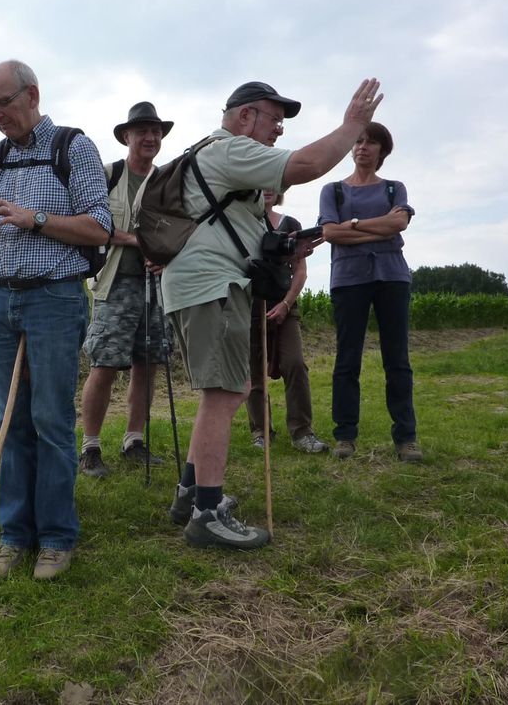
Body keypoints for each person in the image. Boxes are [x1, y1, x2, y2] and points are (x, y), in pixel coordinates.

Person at [162, 79, 383, 550]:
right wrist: (352, 127)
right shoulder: (231, 150)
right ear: (245, 117)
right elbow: (307, 165)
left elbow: (232, 227)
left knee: (222, 390)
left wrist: (283, 246)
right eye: (274, 118)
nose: (280, 129)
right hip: (212, 288)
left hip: (204, 286)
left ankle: (189, 494)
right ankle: (206, 512)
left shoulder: (218, 156)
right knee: (226, 392)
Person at [0, 60, 113, 580]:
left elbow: (100, 228)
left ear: (32, 95)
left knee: (51, 419)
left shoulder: (73, 148)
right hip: (1, 300)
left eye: (4, 102)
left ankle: (55, 537)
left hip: (54, 298)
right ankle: (13, 536)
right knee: (8, 423)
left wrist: (35, 218)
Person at [79, 102, 173, 478]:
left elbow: (175, 229)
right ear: (126, 137)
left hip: (156, 286)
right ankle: (90, 448)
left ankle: (134, 440)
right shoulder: (107, 174)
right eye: (143, 131)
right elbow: (92, 224)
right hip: (114, 283)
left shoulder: (166, 181)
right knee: (104, 364)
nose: (150, 137)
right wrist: (140, 242)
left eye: (156, 131)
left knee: (147, 364)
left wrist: (164, 254)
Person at [318, 122, 422, 463]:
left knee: (398, 360)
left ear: (382, 151)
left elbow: (399, 224)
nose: (363, 147)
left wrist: (356, 226)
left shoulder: (395, 188)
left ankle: (406, 438)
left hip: (392, 277)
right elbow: (330, 234)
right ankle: (345, 436)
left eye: (371, 142)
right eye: (358, 141)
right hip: (348, 279)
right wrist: (378, 228)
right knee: (347, 361)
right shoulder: (332, 190)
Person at [244, 188, 329, 454]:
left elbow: (300, 271)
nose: (267, 190)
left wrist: (285, 304)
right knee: (254, 373)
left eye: (273, 184)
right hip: (248, 307)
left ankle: (302, 432)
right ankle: (260, 431)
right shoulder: (243, 222)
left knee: (295, 364)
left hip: (284, 306)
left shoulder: (292, 225)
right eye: (261, 184)